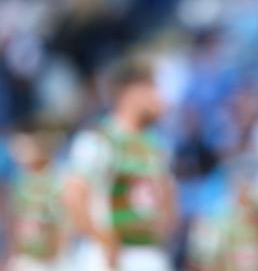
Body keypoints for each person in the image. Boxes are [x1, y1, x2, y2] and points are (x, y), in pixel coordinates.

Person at [63, 59, 176, 271]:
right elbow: (73, 197)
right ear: (131, 92)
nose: (160, 98)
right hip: (109, 257)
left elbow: (168, 195)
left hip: (149, 253)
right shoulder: (99, 139)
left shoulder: (155, 145)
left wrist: (164, 227)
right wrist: (104, 241)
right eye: (152, 88)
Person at [5, 120, 67, 271]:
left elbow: (62, 224)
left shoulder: (59, 179)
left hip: (52, 261)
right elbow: (15, 223)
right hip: (27, 259)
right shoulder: (19, 181)